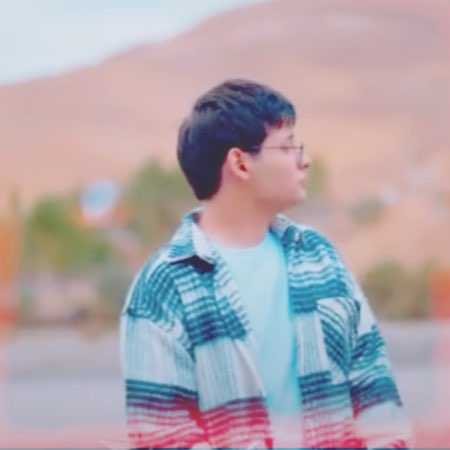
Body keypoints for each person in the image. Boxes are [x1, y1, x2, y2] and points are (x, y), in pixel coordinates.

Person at [119, 78, 413, 449]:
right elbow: (163, 437)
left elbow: (375, 392)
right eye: (288, 147)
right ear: (240, 163)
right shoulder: (163, 286)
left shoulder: (318, 256)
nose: (304, 160)